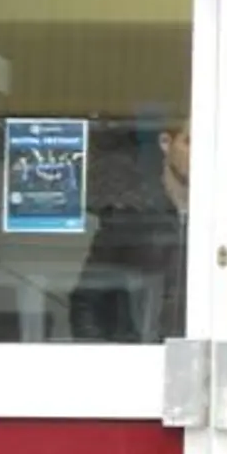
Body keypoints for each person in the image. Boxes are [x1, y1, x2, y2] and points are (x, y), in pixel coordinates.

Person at [69, 115, 188, 341]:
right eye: (189, 142)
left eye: (207, 142)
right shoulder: (132, 216)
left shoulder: (226, 219)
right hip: (135, 361)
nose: (199, 153)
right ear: (166, 143)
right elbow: (87, 302)